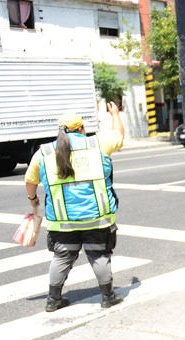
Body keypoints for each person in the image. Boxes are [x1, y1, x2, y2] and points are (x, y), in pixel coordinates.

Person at [24, 102, 125, 312]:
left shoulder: (44, 153)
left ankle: (53, 300)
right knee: (99, 255)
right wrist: (115, 113)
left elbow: (30, 181)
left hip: (62, 223)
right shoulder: (98, 144)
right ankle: (108, 296)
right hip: (97, 218)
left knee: (61, 257)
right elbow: (118, 134)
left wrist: (33, 200)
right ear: (82, 129)